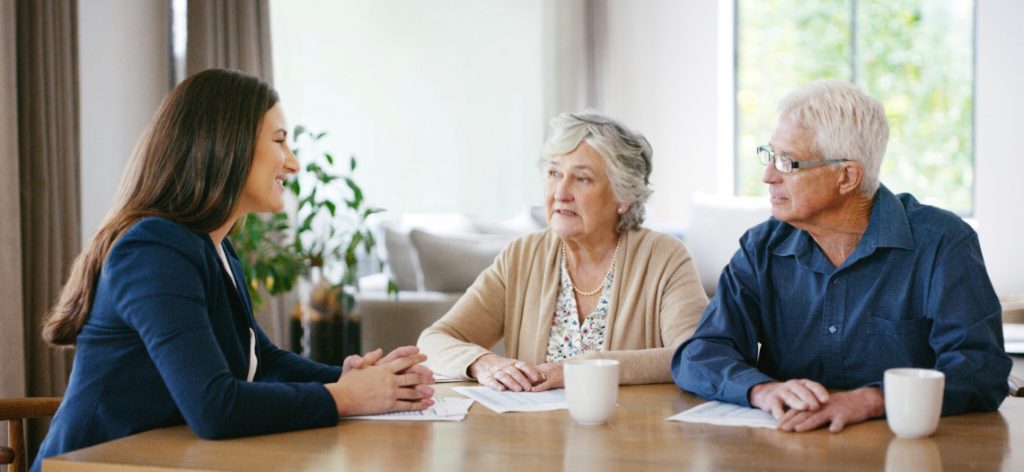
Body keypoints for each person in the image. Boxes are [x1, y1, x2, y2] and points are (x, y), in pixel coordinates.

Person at [33, 69, 434, 470]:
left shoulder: (213, 244)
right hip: (92, 464)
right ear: (227, 145)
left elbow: (264, 360)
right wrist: (347, 397)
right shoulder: (154, 248)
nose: (292, 164)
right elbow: (214, 407)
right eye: (279, 141)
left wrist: (348, 377)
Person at [671, 79, 1011, 433]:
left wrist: (870, 400)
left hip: (905, 448)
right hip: (790, 446)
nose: (768, 176)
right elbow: (700, 353)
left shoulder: (942, 243)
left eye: (787, 162)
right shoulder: (761, 248)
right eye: (769, 155)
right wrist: (761, 390)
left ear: (847, 176)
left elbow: (979, 369)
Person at [418, 111, 708, 392]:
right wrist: (482, 362)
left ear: (624, 196)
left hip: (630, 434)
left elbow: (696, 354)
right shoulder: (522, 256)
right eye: (554, 173)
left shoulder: (664, 257)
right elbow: (433, 341)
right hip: (534, 435)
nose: (560, 192)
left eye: (582, 179)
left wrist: (585, 368)